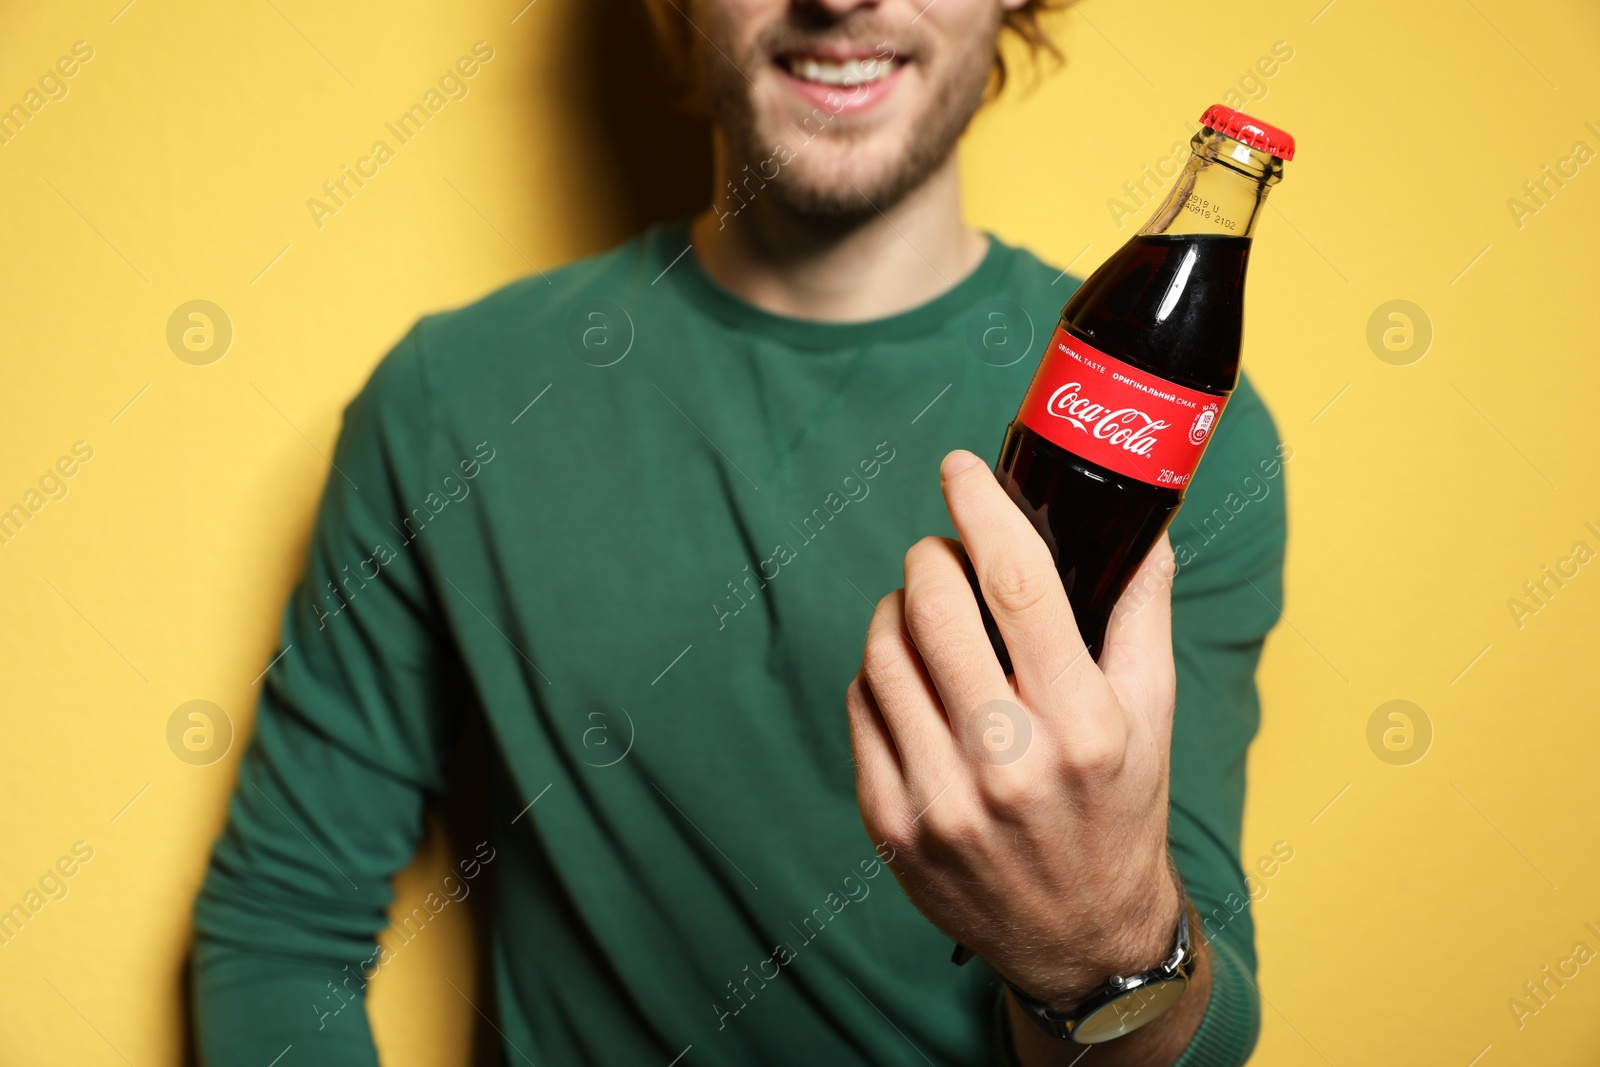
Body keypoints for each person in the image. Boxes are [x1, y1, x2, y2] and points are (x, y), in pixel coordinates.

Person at [192, 1, 1286, 1064]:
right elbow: (284, 922)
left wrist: (1101, 949)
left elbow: (1200, 1021)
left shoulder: (1183, 434)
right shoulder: (452, 398)